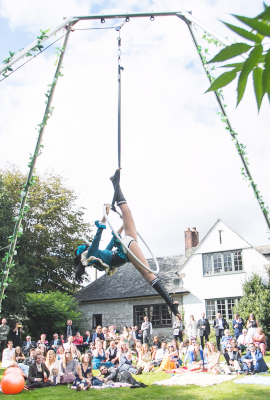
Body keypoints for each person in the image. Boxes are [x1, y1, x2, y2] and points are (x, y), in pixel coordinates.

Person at [74, 169, 182, 320]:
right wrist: (105, 216)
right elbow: (99, 235)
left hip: (125, 249)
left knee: (148, 274)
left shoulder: (99, 258)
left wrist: (120, 225)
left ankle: (171, 305)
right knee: (127, 212)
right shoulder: (92, 253)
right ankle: (115, 183)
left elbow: (113, 240)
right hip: (125, 248)